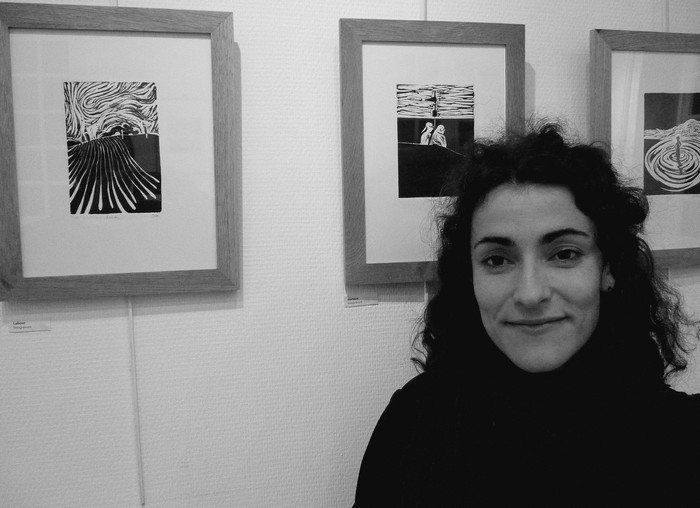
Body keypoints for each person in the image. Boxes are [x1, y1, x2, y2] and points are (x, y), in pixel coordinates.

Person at [353, 123, 700, 506]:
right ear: (469, 276)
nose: (530, 294)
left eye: (564, 254)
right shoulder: (413, 425)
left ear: (608, 268)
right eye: (497, 260)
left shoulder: (683, 439)